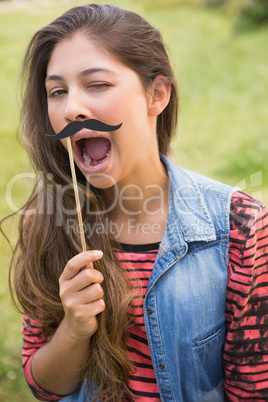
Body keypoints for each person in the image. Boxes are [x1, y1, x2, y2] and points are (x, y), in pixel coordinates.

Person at [6, 3, 268, 402]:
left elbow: (253, 390)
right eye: (56, 91)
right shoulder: (46, 221)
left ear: (157, 95)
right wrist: (74, 328)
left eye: (97, 84)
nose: (71, 107)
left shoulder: (241, 228)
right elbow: (43, 385)